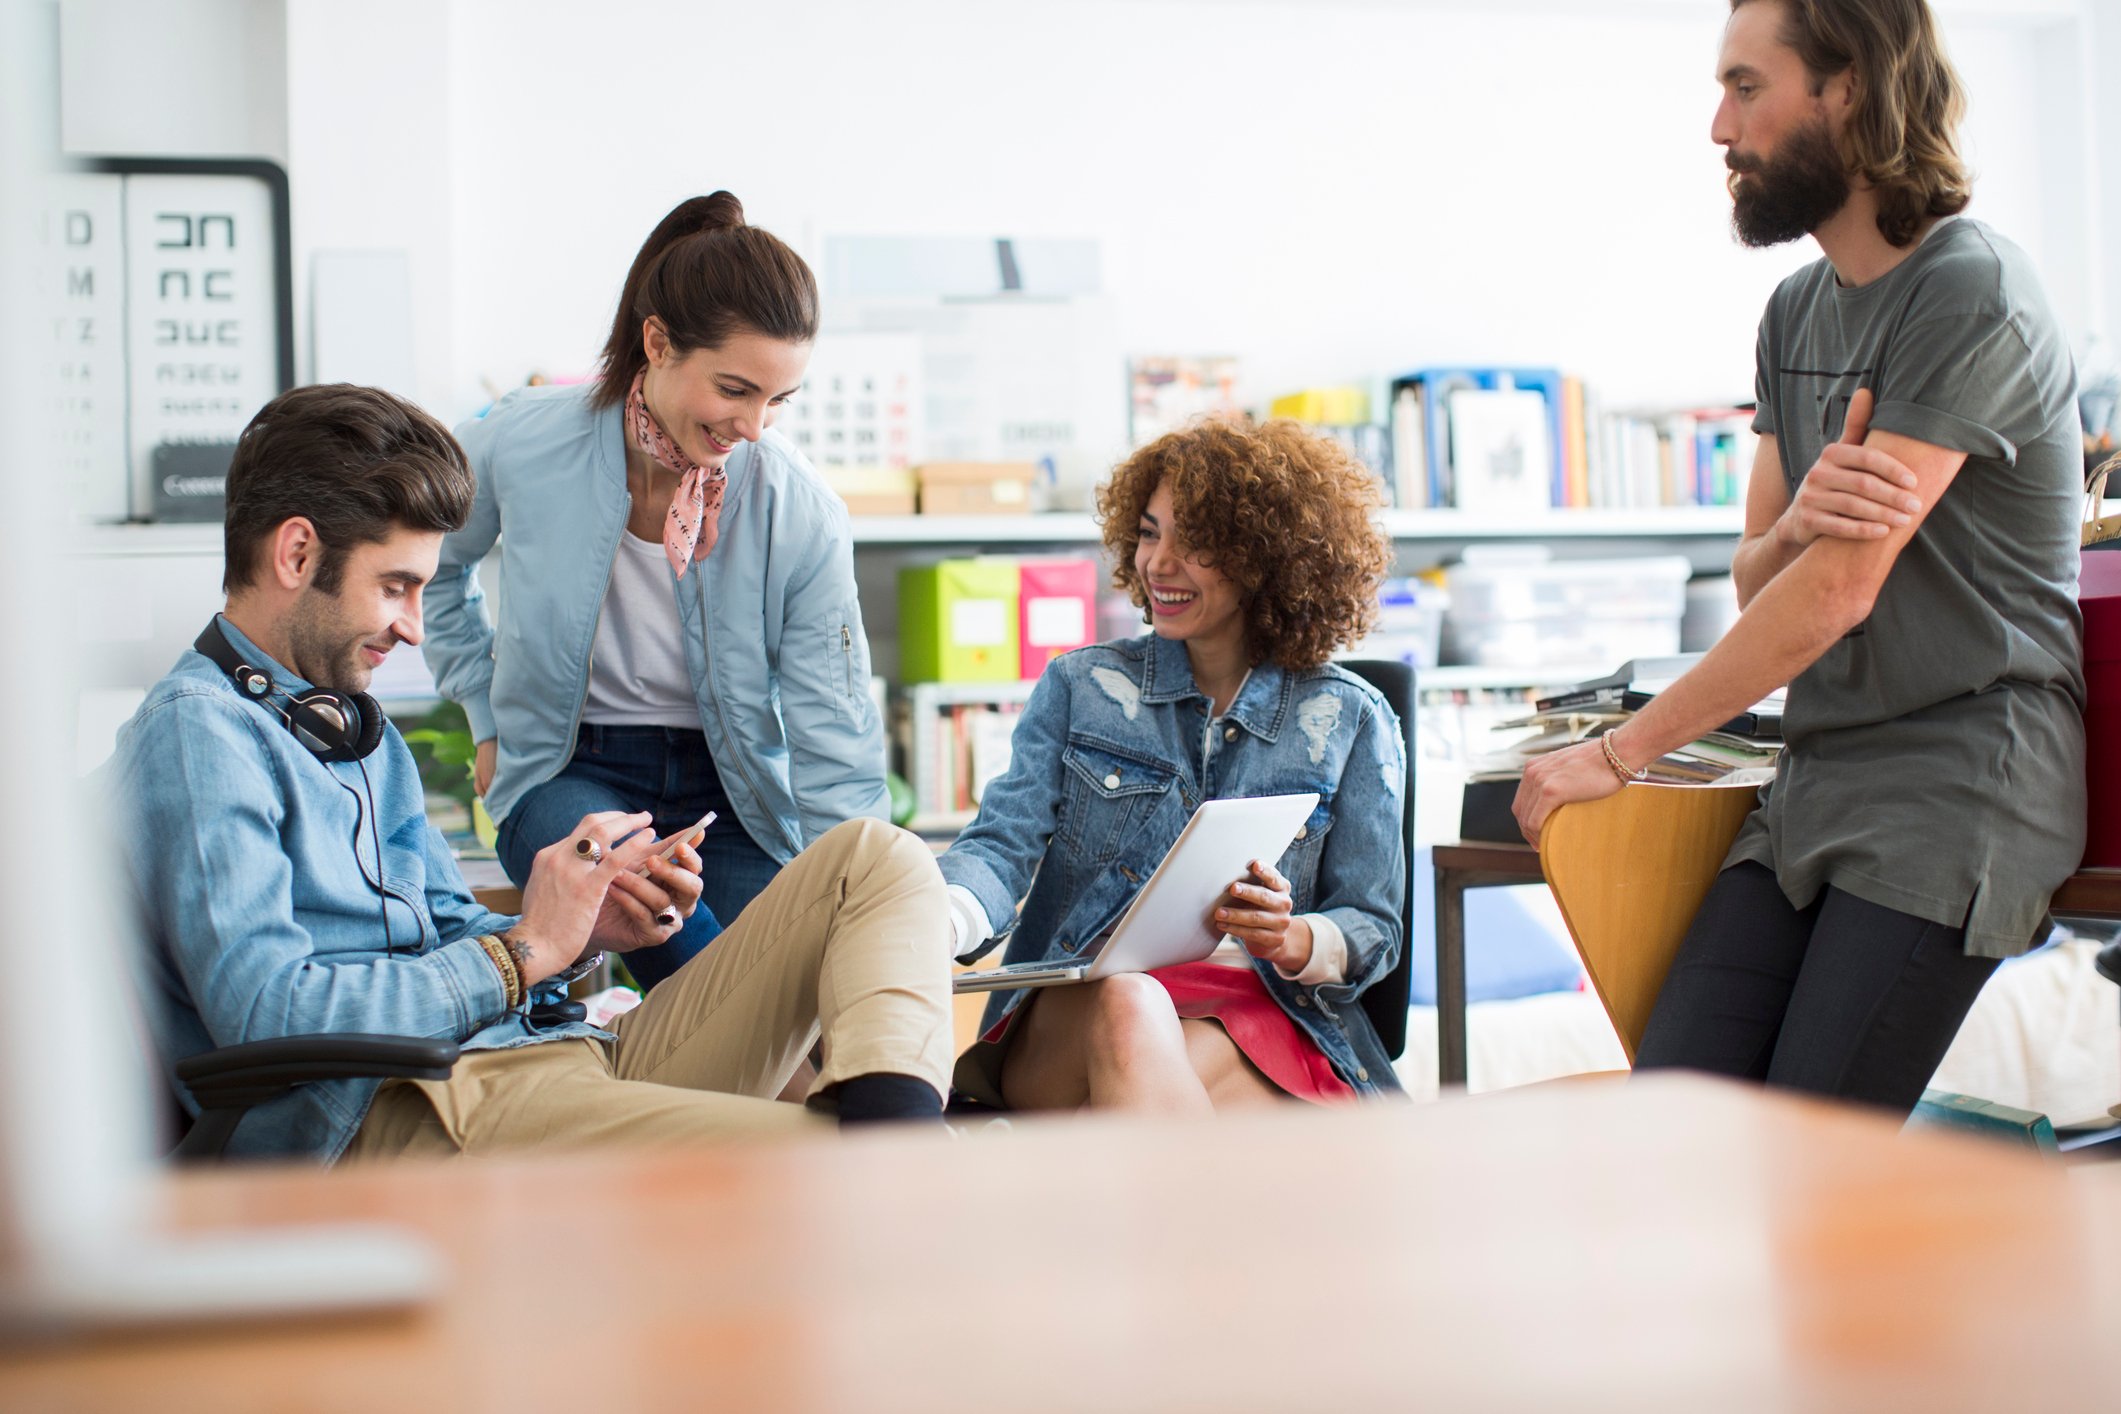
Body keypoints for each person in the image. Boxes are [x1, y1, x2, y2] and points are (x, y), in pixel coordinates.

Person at [115, 384, 953, 1162]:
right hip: (405, 1112)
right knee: (825, 1155)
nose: (413, 628)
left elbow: (449, 932)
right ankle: (893, 1168)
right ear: (296, 553)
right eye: (396, 588)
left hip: (536, 1065)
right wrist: (522, 953)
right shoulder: (200, 736)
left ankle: (894, 1151)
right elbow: (267, 1015)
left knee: (877, 860)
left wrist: (586, 929)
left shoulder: (353, 730)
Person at [1513, 0, 2084, 1118]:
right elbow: (1760, 577)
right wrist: (1794, 527)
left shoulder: (1969, 290)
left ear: (1849, 87)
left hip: (1960, 778)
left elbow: (1835, 592)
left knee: (1806, 1160)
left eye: (1745, 86)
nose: (1719, 129)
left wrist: (1619, 753)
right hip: (1819, 778)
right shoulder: (1795, 314)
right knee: (1685, 1120)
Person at [423, 192, 888, 992]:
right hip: (571, 767)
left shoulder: (797, 507)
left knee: (786, 981)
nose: (755, 428)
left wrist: (861, 894)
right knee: (662, 918)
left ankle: (816, 1099)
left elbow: (831, 728)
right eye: (735, 389)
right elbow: (432, 564)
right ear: (658, 342)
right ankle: (804, 1097)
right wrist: (482, 709)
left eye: (779, 400)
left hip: (731, 788)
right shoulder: (520, 438)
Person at [941, 420, 1406, 1113]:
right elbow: (1000, 848)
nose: (1159, 563)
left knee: (1201, 1102)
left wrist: (1292, 936)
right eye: (1150, 532)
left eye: (1194, 544)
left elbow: (1372, 925)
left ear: (1266, 559)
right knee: (1131, 1004)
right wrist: (936, 922)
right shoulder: (1080, 688)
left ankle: (1169, 1210)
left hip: (1260, 1013)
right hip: (1079, 1007)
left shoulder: (1350, 716)